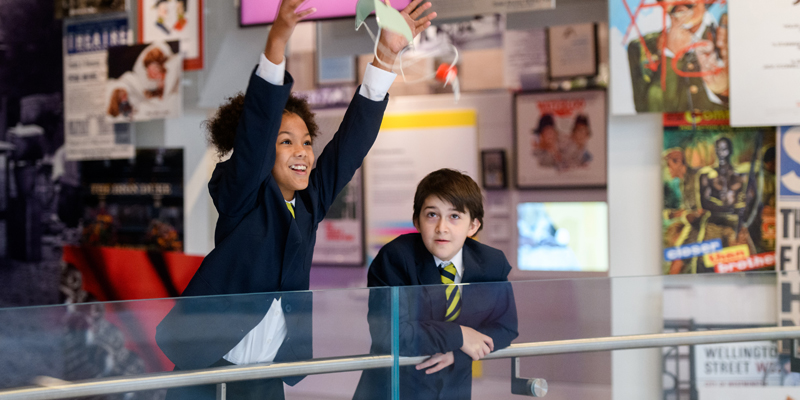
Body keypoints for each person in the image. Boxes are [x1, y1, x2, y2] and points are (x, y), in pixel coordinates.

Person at [155, 0, 437, 399]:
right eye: (285, 142)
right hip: (205, 374)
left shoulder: (308, 205)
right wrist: (277, 40)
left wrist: (386, 56)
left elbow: (349, 147)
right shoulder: (241, 197)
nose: (303, 151)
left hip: (267, 378)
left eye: (306, 142)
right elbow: (254, 140)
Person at [353, 169, 518, 400]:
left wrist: (457, 353)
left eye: (455, 216)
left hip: (454, 389)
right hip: (396, 388)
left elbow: (506, 328)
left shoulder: (492, 263)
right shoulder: (395, 258)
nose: (442, 227)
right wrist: (458, 334)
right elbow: (390, 335)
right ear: (417, 221)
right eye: (432, 215)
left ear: (473, 226)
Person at [627, 0, 728, 112]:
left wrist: (724, 91)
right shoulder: (642, 47)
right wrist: (670, 54)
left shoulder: (726, 36)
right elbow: (648, 110)